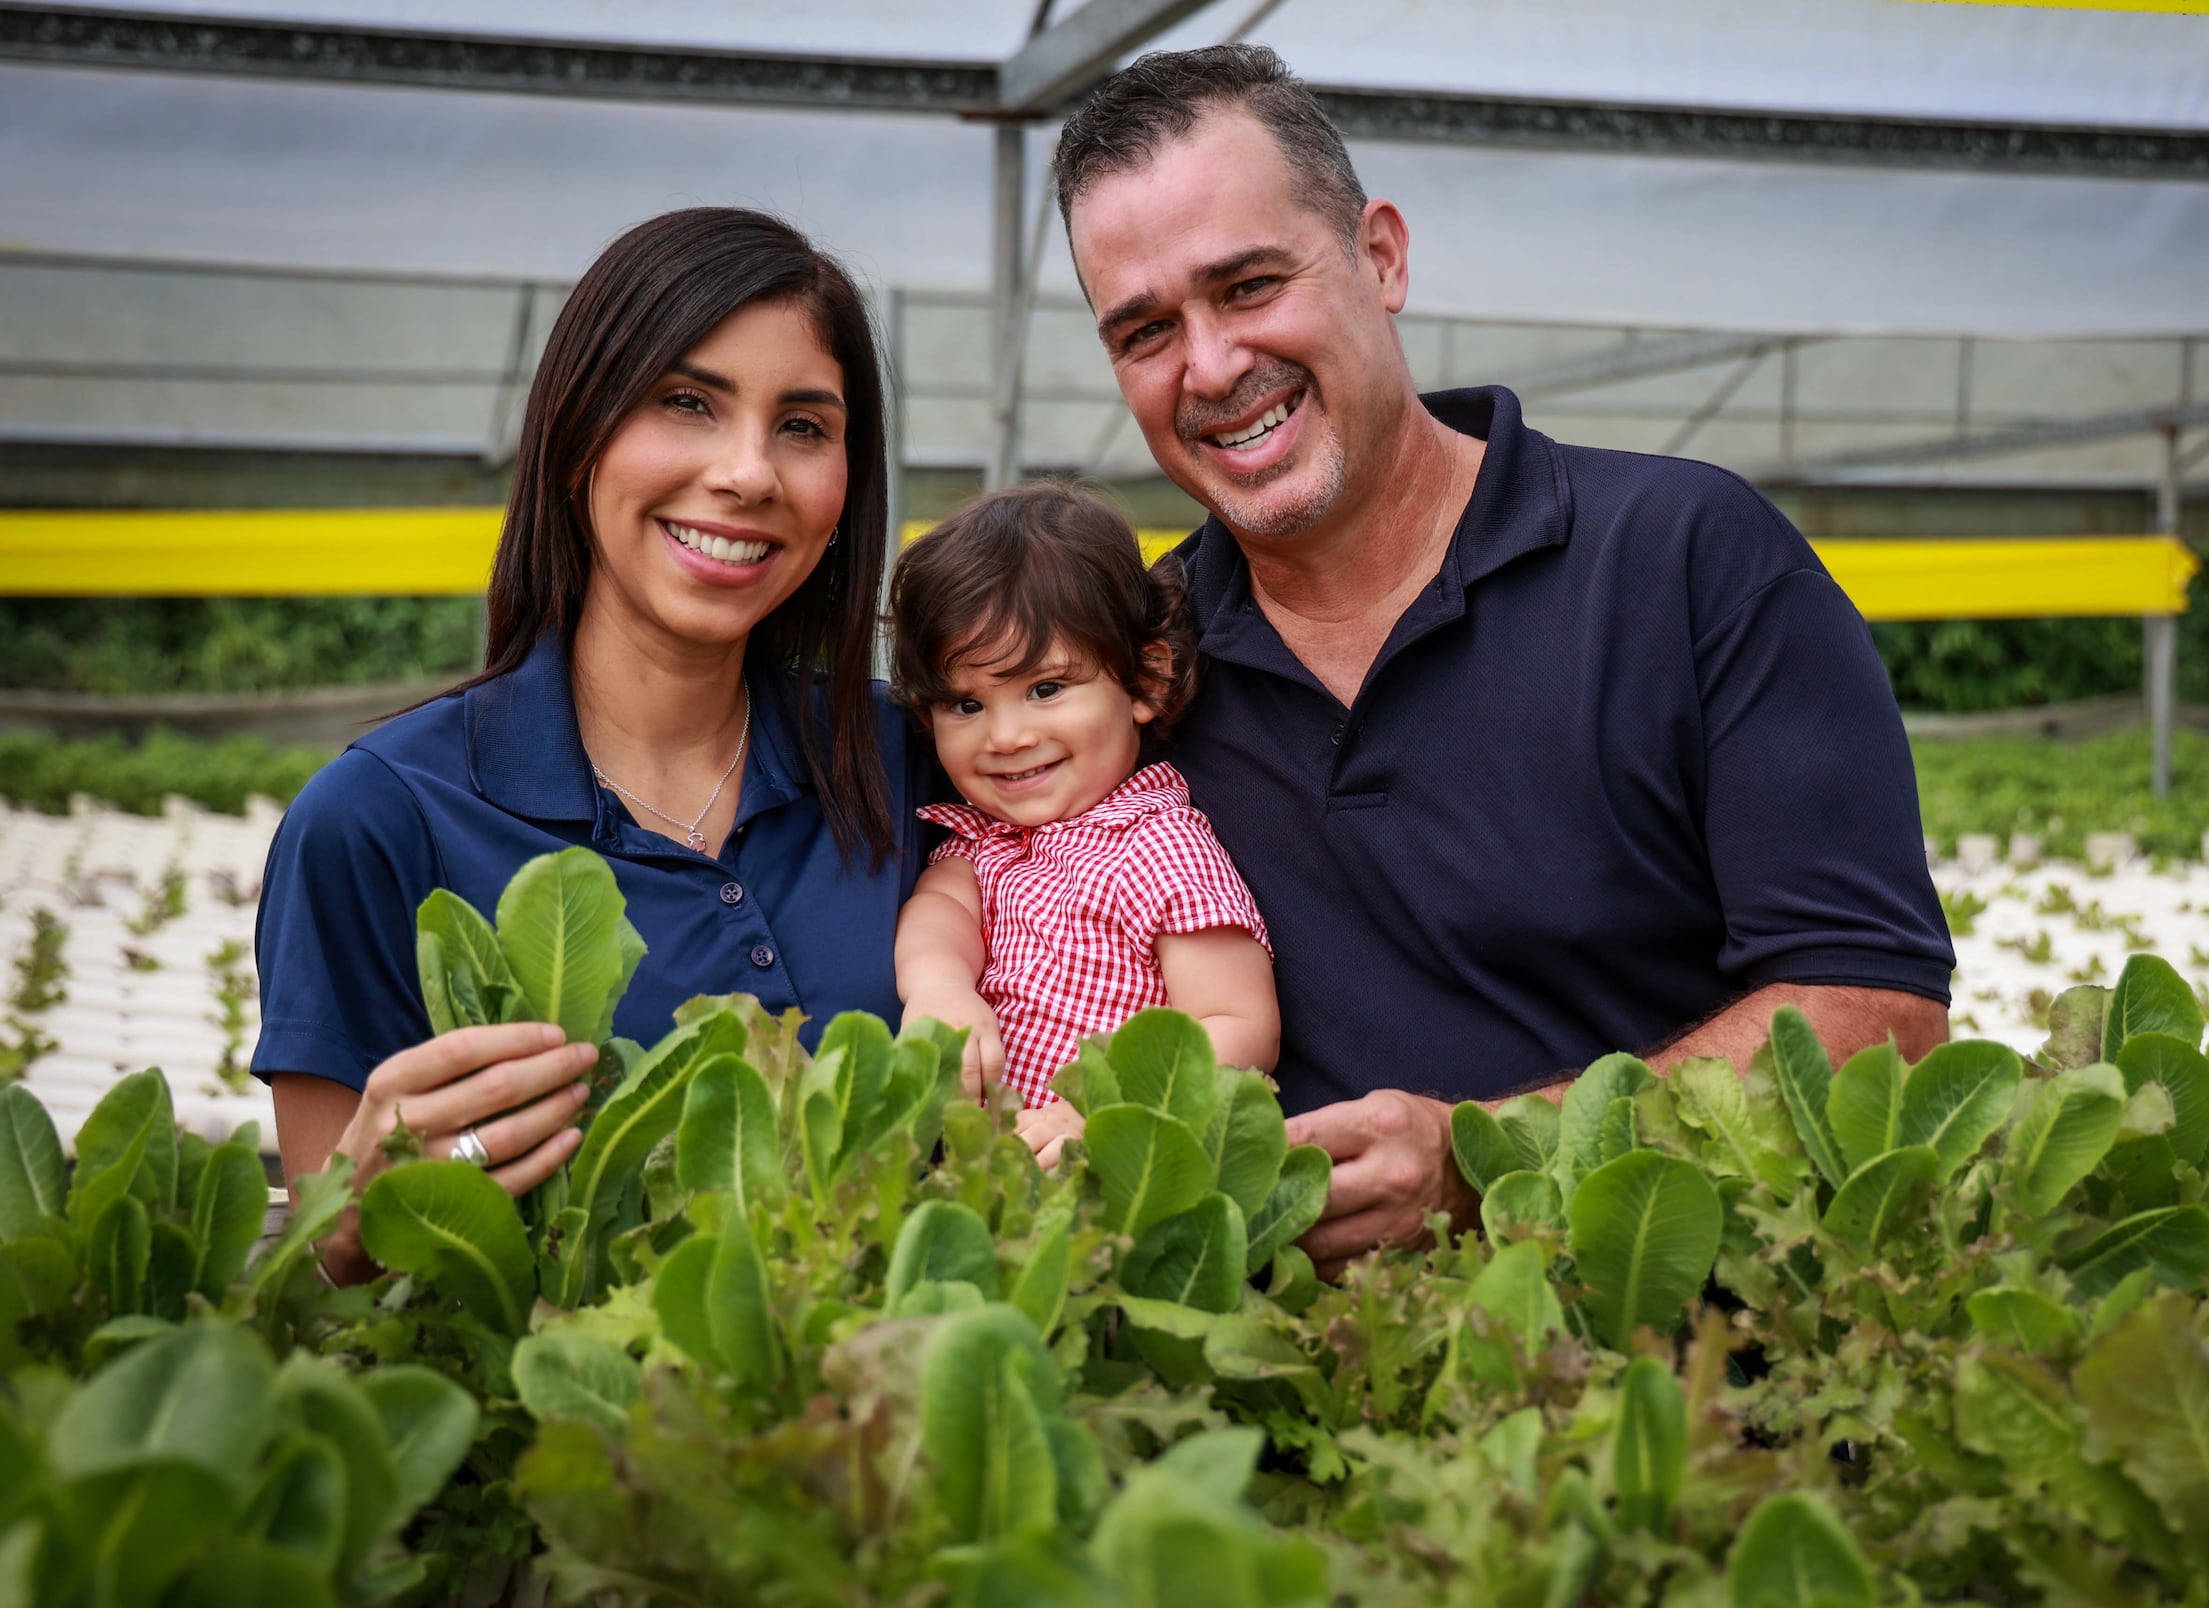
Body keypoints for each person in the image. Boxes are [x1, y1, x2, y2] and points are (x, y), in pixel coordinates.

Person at [1051, 48, 1958, 1274]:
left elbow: (1877, 1018)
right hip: (1283, 1403)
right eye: (1146, 330)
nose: (1208, 368)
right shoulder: (1134, 669)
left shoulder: (1689, 560)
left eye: (1250, 285)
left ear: (1380, 256)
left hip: (1678, 1386)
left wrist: (1493, 1160)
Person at [254, 208, 925, 1287]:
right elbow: (332, 1277)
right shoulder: (378, 821)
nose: (749, 473)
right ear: (576, 439)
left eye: (803, 426)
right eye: (687, 402)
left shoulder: (916, 758)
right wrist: (362, 1218)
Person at [889, 483, 1278, 1164]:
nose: (1006, 736)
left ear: (1145, 683)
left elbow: (1237, 1024)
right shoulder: (980, 838)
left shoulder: (1158, 844)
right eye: (965, 704)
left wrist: (1105, 1109)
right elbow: (939, 909)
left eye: (1046, 689)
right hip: (982, 1176)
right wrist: (938, 986)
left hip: (1119, 1174)